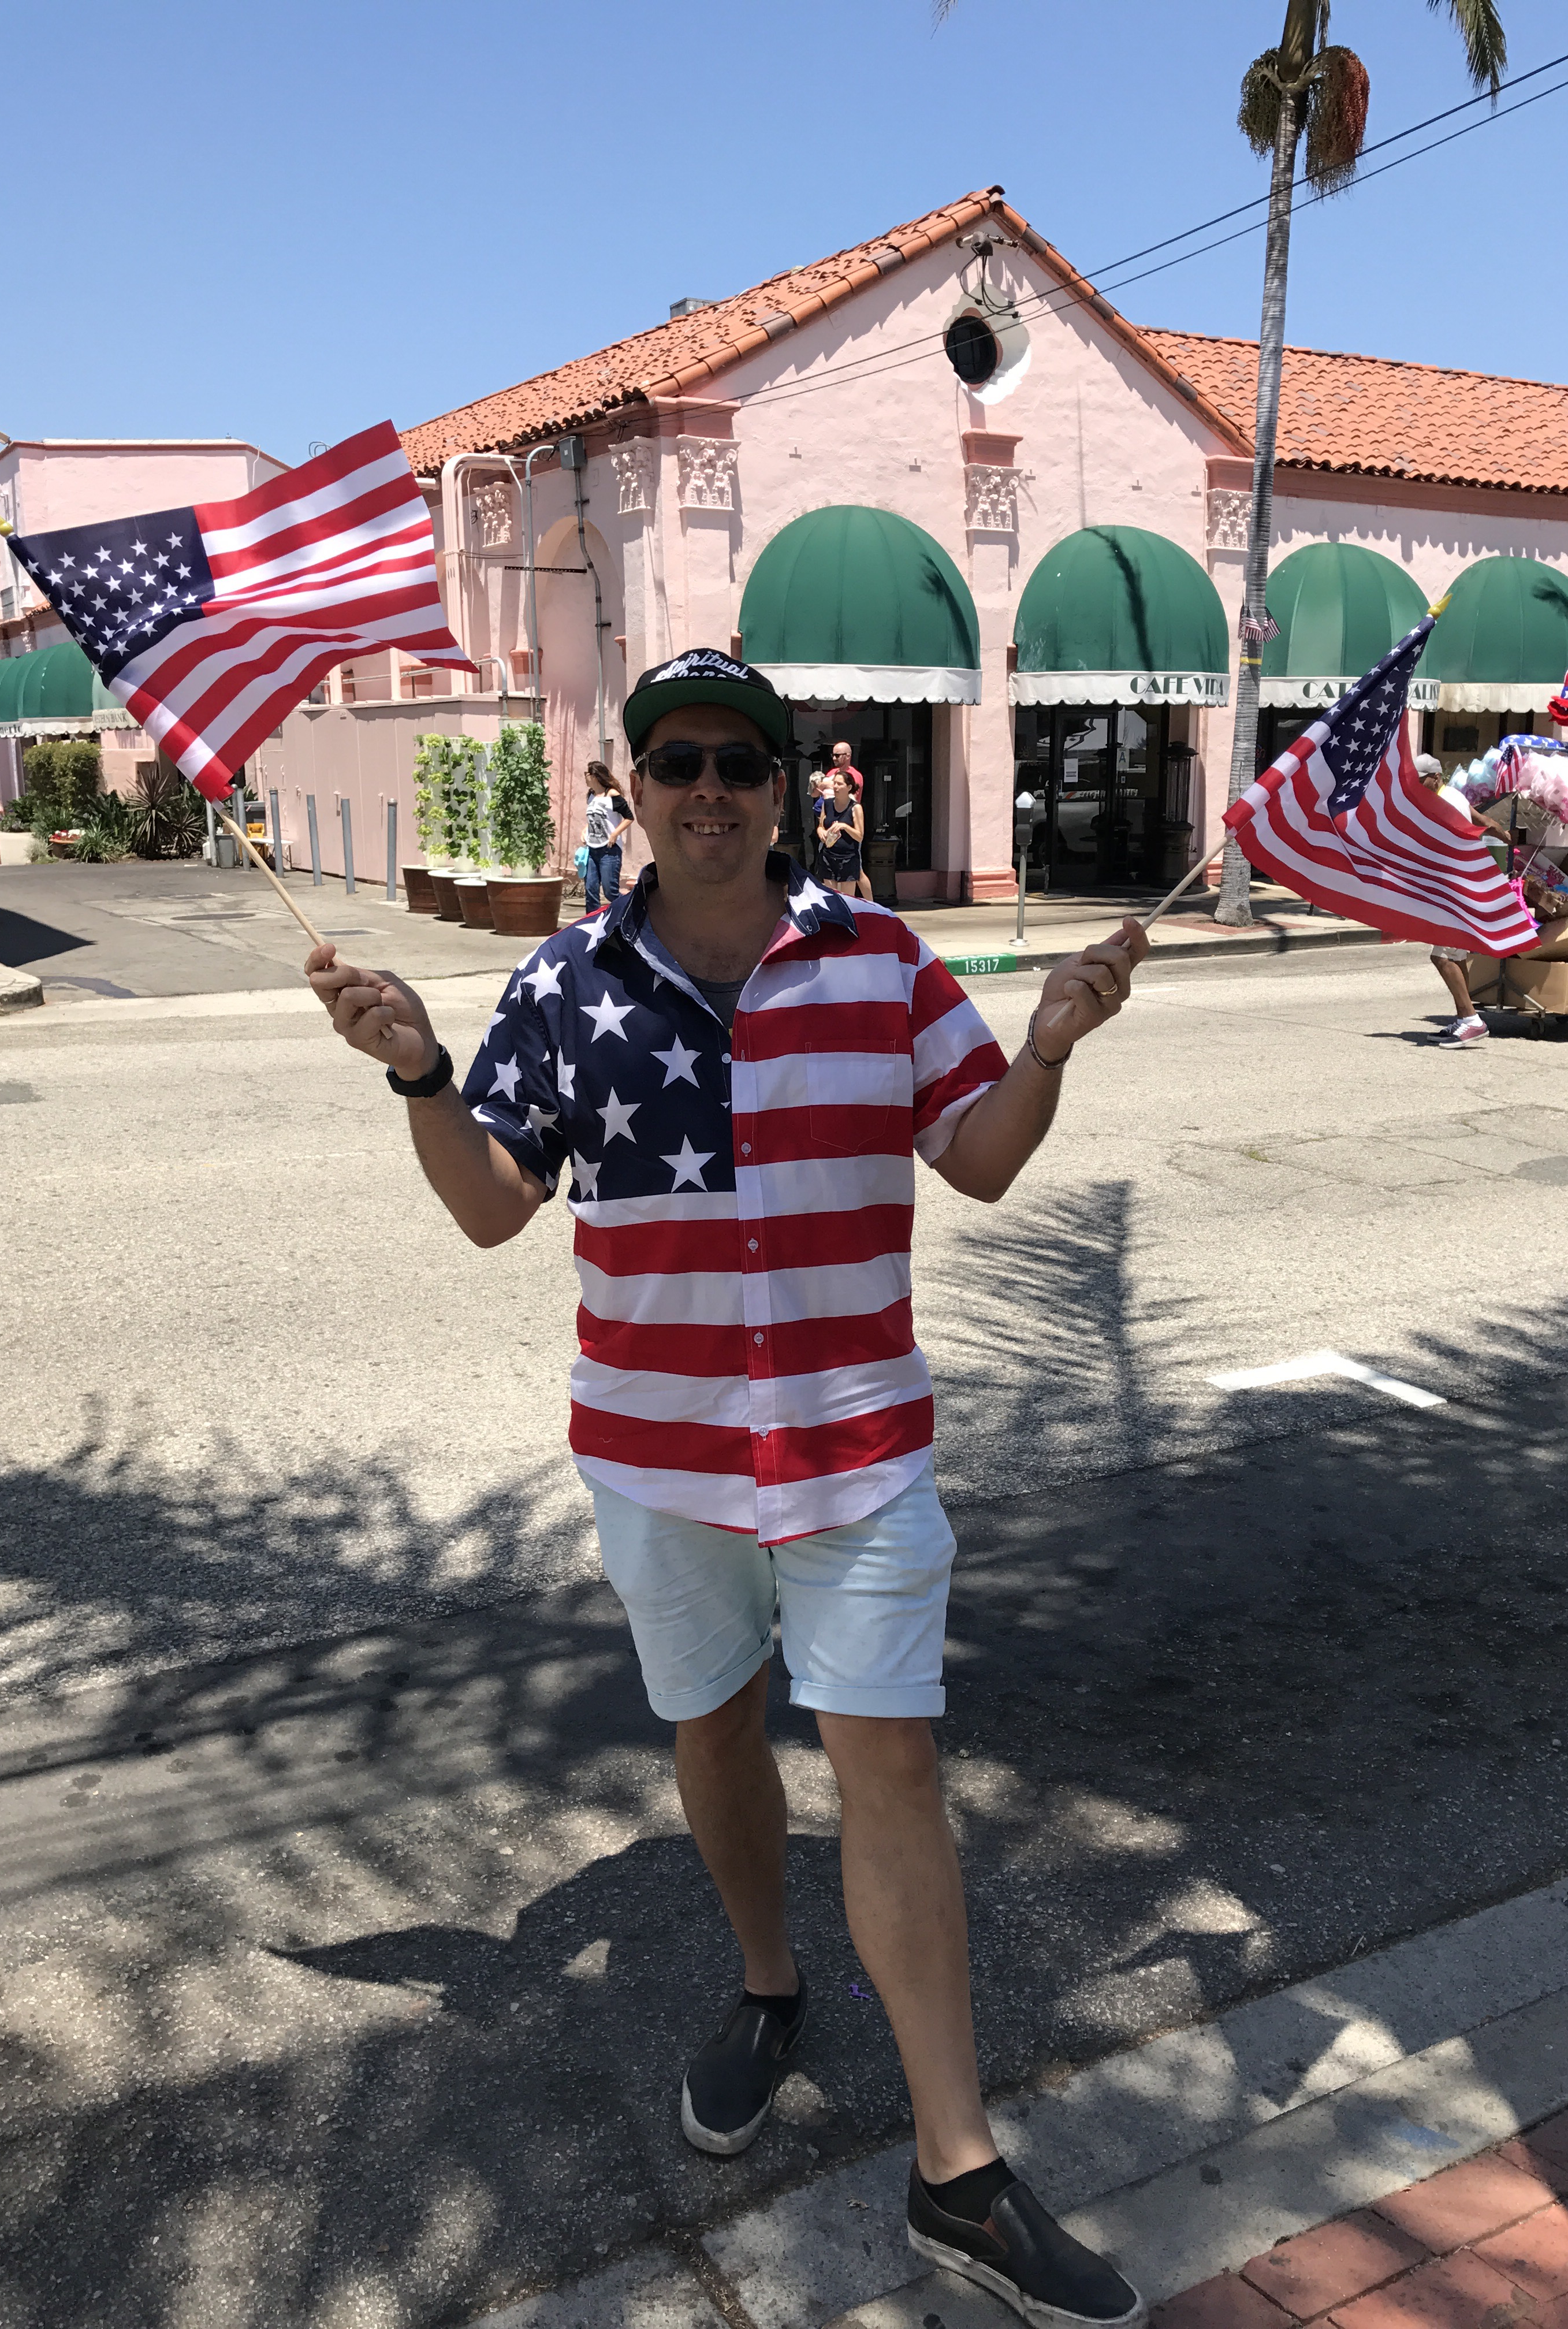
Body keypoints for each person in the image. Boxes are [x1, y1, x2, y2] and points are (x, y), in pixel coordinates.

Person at [306, 646, 1150, 2329]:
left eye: (740, 763)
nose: (709, 790)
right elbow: (492, 1204)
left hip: (856, 1446)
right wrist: (420, 1075)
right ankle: (770, 1987)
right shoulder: (563, 984)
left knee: (890, 1765)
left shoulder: (882, 961)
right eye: (677, 761)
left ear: (783, 791)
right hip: (661, 1451)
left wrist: (1050, 1047)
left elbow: (979, 1160)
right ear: (632, 786)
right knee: (713, 1729)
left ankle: (957, 2167)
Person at [1416, 754, 1489, 1047]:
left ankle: (1472, 1020)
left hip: (1453, 887)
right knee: (1456, 956)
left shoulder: (1445, 802)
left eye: (1421, 780)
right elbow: (1481, 822)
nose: (1417, 786)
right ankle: (1464, 1019)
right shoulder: (1452, 797)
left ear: (1436, 777)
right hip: (1459, 884)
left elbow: (1446, 844)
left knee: (1441, 956)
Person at [582, 760, 634, 911]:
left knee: (610, 892)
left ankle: (631, 909)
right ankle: (592, 921)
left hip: (609, 850)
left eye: (587, 774)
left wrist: (615, 834)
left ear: (594, 776)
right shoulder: (591, 796)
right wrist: (585, 830)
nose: (585, 777)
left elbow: (629, 817)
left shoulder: (612, 795)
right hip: (592, 850)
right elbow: (594, 819)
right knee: (591, 890)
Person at [815, 768, 865, 897]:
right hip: (828, 855)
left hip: (848, 858)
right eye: (834, 783)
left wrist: (845, 827)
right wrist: (821, 832)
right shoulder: (827, 804)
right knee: (831, 897)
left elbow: (860, 836)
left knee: (847, 899)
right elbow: (821, 826)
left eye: (839, 784)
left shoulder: (855, 808)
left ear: (849, 787)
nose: (835, 787)